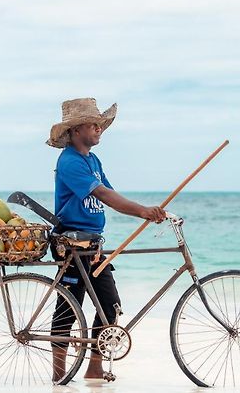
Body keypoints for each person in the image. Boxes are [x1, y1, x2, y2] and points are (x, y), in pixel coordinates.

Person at [46, 98, 166, 382]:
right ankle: (58, 375)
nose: (99, 128)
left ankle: (94, 368)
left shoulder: (92, 160)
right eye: (92, 124)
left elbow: (112, 194)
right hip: (72, 245)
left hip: (93, 246)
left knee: (109, 305)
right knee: (68, 309)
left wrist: (145, 211)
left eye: (100, 124)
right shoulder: (69, 162)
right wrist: (142, 211)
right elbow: (103, 196)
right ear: (76, 130)